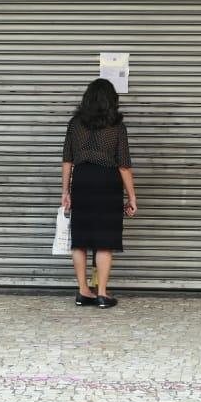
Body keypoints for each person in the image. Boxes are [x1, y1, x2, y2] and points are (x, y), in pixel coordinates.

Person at [61, 78, 136, 309]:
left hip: (82, 181)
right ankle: (102, 294)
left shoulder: (75, 124)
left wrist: (65, 191)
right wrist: (132, 196)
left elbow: (67, 160)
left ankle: (84, 292)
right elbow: (124, 165)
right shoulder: (116, 127)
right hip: (107, 182)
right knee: (104, 241)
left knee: (80, 240)